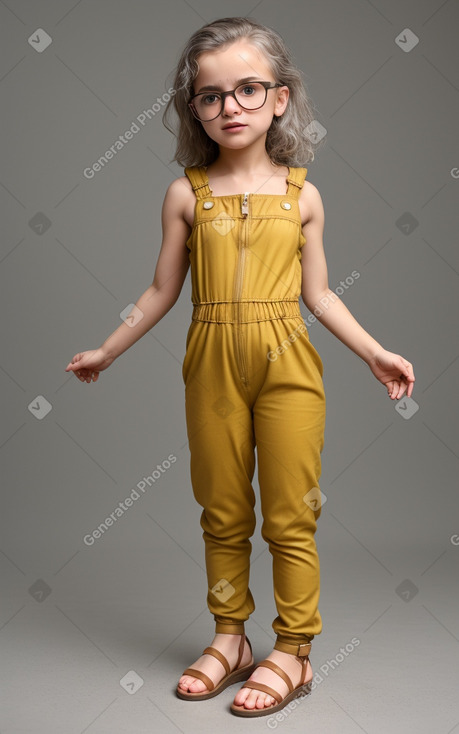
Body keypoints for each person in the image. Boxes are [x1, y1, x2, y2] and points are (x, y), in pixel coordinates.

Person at [65, 16, 415, 718]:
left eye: (248, 90)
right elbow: (161, 290)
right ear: (193, 107)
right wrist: (109, 346)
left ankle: (294, 648)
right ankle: (231, 639)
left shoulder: (303, 195)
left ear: (279, 99)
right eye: (210, 96)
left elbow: (317, 294)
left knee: (291, 515)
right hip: (211, 359)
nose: (230, 107)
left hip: (288, 361)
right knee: (221, 510)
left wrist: (374, 350)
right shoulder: (184, 194)